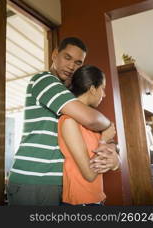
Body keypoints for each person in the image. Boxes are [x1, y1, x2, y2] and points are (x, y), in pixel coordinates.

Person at [7, 37, 116, 206]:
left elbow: (93, 138)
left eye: (78, 62)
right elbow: (91, 119)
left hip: (59, 183)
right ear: (54, 55)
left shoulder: (69, 95)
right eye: (67, 57)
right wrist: (109, 126)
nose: (72, 66)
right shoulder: (44, 80)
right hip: (34, 178)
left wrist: (115, 155)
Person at [58, 65, 120, 206]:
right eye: (102, 88)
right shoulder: (68, 121)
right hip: (79, 203)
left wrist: (116, 162)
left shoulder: (94, 122)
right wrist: (103, 140)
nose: (104, 94)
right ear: (92, 89)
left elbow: (114, 159)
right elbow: (90, 174)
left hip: (97, 200)